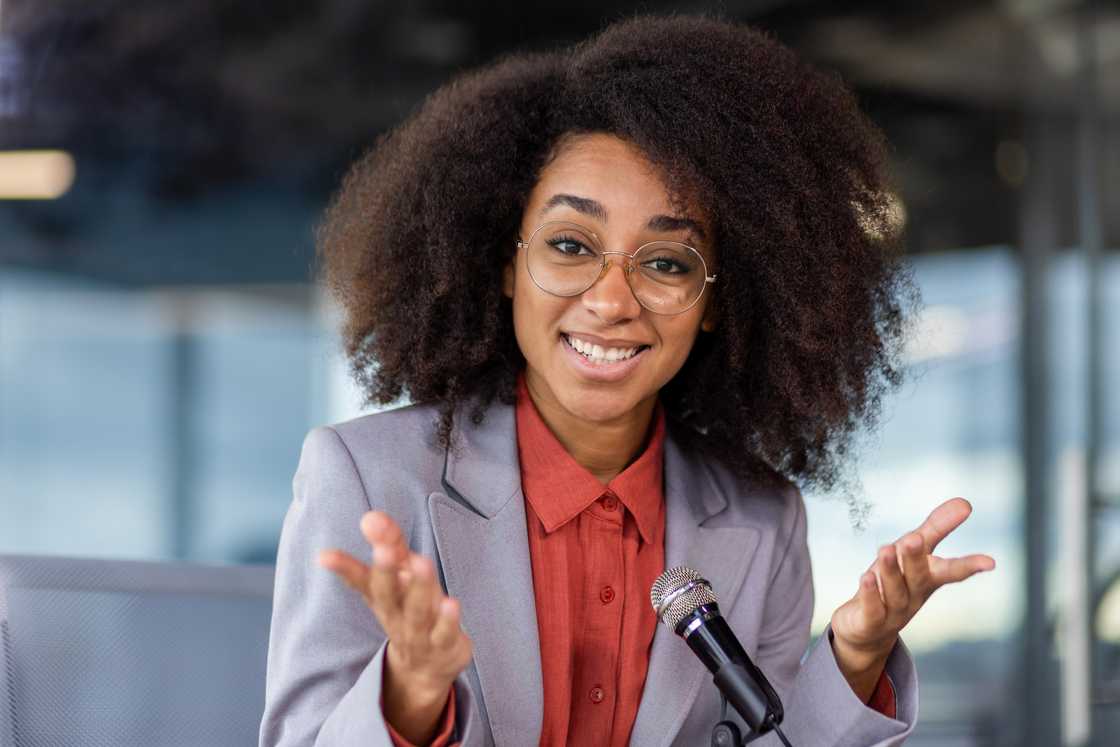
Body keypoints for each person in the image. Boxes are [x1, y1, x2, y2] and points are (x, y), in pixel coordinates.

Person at [258, 14, 995, 747]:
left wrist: (856, 655)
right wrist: (409, 696)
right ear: (506, 264)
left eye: (668, 262)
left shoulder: (763, 521)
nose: (612, 301)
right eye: (571, 245)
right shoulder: (365, 479)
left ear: (716, 303)